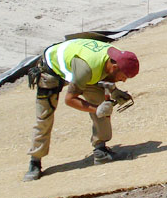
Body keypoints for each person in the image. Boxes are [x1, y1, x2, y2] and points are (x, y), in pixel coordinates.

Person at [23, 38, 139, 181]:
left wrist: (114, 91)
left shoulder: (112, 58)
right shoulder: (87, 68)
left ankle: (101, 152)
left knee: (104, 102)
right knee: (44, 117)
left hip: (79, 67)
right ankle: (35, 161)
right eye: (123, 77)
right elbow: (70, 100)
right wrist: (97, 109)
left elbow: (106, 75)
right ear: (114, 67)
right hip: (50, 69)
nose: (124, 81)